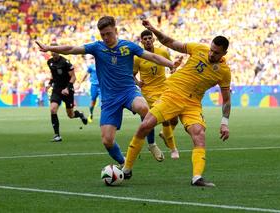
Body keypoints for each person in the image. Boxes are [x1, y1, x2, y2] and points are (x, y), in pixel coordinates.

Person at [36, 16, 180, 166]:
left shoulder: (128, 47)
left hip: (128, 91)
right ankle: (125, 164)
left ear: (116, 31)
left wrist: (171, 64)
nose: (105, 37)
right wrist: (49, 48)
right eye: (102, 34)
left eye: (108, 33)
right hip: (109, 99)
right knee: (107, 141)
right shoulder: (97, 47)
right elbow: (72, 49)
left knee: (144, 108)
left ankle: (151, 144)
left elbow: (152, 56)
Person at [122, 19, 231, 187]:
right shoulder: (199, 49)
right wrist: (154, 30)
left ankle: (197, 177)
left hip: (193, 103)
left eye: (216, 53)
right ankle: (127, 169)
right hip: (172, 94)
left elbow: (227, 99)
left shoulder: (224, 72)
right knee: (146, 125)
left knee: (199, 134)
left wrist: (225, 123)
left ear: (224, 53)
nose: (211, 54)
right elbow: (170, 42)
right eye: (211, 50)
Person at [133, 29, 179, 160]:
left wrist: (173, 71)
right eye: (145, 39)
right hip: (149, 93)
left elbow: (172, 66)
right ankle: (173, 149)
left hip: (164, 89)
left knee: (174, 118)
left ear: (153, 39)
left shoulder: (162, 52)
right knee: (163, 119)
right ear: (141, 41)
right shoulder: (138, 57)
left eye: (149, 38)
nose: (147, 40)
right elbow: (132, 74)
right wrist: (137, 82)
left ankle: (165, 136)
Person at [46, 44, 88, 142]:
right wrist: (49, 84)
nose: (54, 53)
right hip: (56, 89)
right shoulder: (50, 62)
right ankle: (57, 135)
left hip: (67, 90)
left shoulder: (65, 62)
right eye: (52, 51)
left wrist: (67, 88)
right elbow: (53, 75)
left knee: (71, 115)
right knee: (53, 109)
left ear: (58, 51)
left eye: (55, 51)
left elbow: (73, 77)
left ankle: (80, 114)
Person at [80, 56, 100, 123]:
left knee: (104, 102)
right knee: (93, 102)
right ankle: (91, 114)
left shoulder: (104, 66)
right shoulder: (91, 66)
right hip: (94, 86)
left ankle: (105, 117)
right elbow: (86, 74)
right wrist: (81, 81)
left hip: (102, 86)